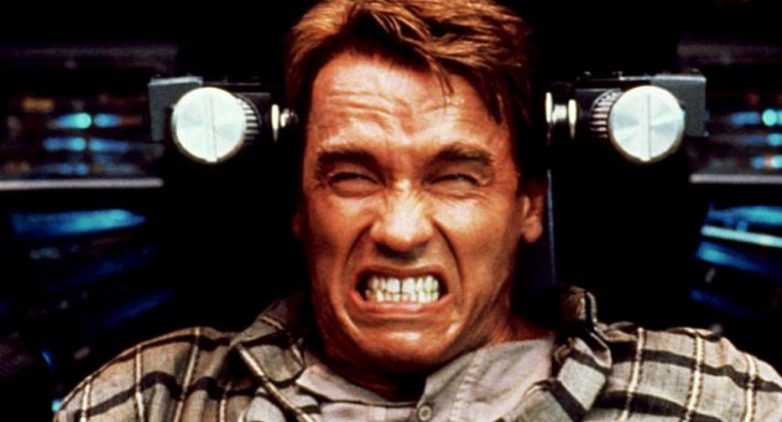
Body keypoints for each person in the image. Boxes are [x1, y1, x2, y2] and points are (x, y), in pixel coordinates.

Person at [55, 0, 782, 421]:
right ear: (301, 204)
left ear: (528, 203)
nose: (400, 230)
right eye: (352, 177)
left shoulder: (713, 399)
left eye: (454, 179)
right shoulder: (154, 398)